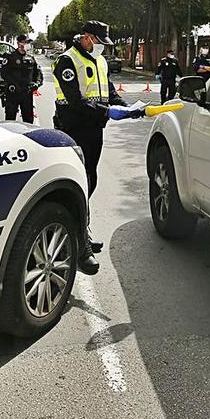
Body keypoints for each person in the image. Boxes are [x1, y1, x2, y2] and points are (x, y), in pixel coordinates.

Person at [52, 20, 132, 275]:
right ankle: (79, 246)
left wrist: (127, 107)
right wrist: (107, 110)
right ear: (86, 37)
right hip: (73, 128)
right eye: (98, 41)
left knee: (90, 182)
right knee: (76, 183)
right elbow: (74, 100)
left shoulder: (100, 61)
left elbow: (108, 91)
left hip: (94, 128)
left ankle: (81, 232)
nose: (101, 48)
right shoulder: (67, 60)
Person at [0, 34, 42, 122]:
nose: (27, 45)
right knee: (10, 119)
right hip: (13, 92)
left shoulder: (30, 58)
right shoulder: (10, 56)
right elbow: (4, 73)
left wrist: (37, 83)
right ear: (19, 44)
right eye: (25, 42)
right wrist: (14, 84)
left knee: (28, 119)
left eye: (28, 43)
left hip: (27, 93)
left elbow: (38, 73)